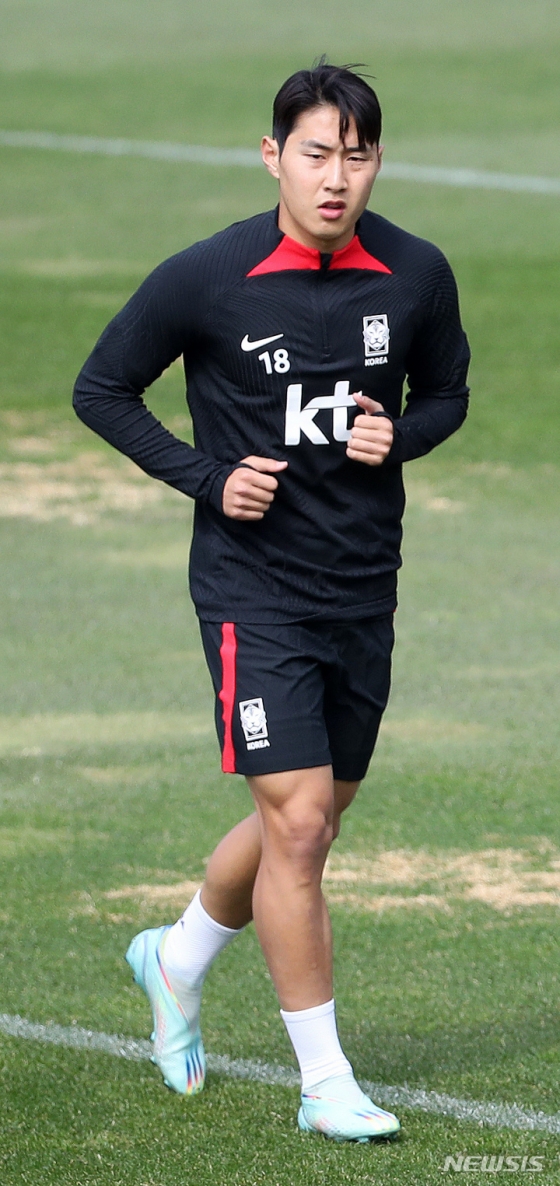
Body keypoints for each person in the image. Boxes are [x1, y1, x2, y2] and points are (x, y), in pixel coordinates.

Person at [73, 59, 470, 1143]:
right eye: (315, 153)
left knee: (313, 815)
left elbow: (446, 392)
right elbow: (102, 388)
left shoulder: (416, 274)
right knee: (296, 826)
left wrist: (404, 435)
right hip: (252, 591)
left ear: (376, 162)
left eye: (356, 155)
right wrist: (208, 478)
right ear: (272, 156)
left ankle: (175, 957)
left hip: (364, 585)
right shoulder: (210, 276)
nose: (335, 177)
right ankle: (324, 1082)